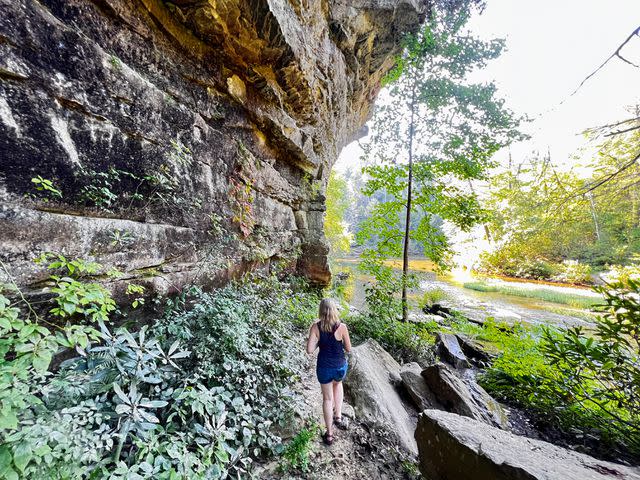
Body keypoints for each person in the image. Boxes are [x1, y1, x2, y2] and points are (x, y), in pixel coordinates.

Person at [306, 298, 352, 445]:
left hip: (324, 368)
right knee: (338, 385)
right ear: (334, 310)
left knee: (327, 399)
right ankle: (338, 416)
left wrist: (320, 341)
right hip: (339, 367)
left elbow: (309, 350)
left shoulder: (315, 327)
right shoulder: (342, 327)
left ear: (321, 311)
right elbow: (349, 349)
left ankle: (330, 435)